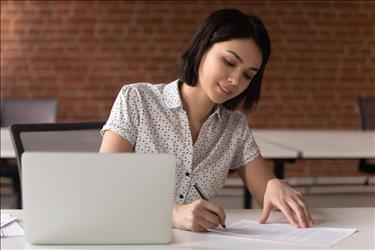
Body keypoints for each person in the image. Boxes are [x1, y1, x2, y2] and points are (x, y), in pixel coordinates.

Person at [100, 8, 314, 232]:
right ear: (202, 49)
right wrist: (171, 213)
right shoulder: (137, 100)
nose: (235, 81)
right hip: (128, 237)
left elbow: (271, 200)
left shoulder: (234, 128)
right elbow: (104, 185)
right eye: (229, 62)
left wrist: (274, 187)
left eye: (248, 75)